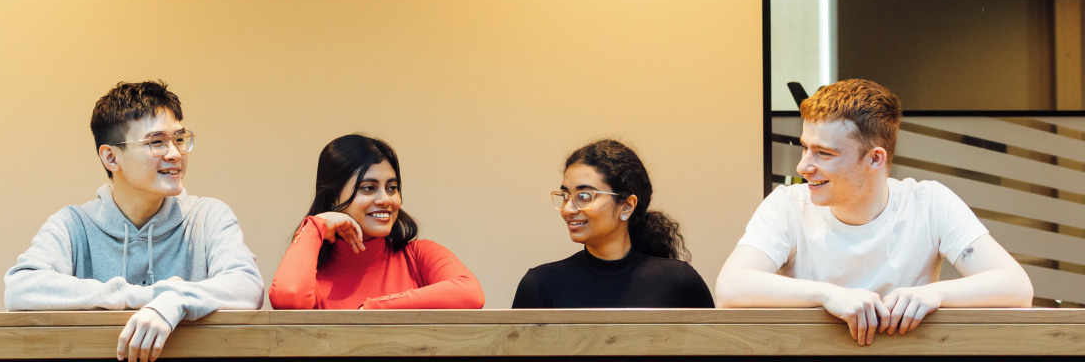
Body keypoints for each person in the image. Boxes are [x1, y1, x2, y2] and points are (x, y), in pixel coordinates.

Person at [717, 79, 1033, 346]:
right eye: (804, 147)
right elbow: (731, 288)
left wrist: (934, 294)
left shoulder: (929, 203)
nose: (803, 167)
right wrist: (828, 295)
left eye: (824, 153)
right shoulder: (787, 204)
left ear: (875, 159)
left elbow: (1016, 287)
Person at [3, 81, 264, 362]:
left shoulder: (208, 216)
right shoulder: (72, 224)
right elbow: (22, 288)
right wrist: (138, 296)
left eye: (178, 138)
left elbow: (247, 285)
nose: (175, 153)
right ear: (111, 157)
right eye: (156, 142)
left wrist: (174, 300)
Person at [268, 134, 485, 310]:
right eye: (368, 188)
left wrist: (375, 308)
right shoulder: (311, 273)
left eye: (392, 188)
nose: (385, 200)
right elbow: (289, 298)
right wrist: (315, 226)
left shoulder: (419, 256)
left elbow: (470, 293)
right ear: (333, 197)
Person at [512, 139, 714, 308]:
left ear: (627, 205)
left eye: (584, 195)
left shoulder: (680, 282)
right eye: (565, 195)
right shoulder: (540, 284)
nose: (568, 209)